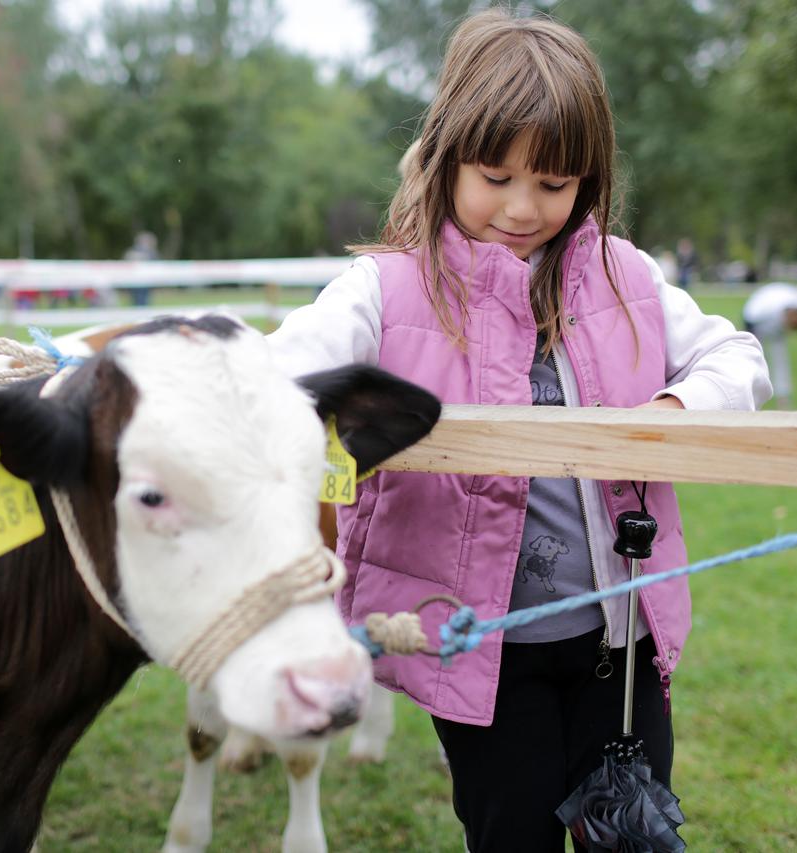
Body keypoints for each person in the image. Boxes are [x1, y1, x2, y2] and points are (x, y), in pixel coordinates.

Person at [267, 10, 771, 851]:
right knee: (511, 834)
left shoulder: (626, 276)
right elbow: (284, 371)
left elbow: (738, 356)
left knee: (635, 835)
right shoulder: (384, 291)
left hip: (621, 643)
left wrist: (672, 414)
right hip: (483, 656)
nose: (524, 207)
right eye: (496, 176)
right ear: (445, 156)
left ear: (589, 178)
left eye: (555, 182)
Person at [743, 282, 797, 410]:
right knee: (754, 361)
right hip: (755, 322)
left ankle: (783, 401)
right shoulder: (761, 311)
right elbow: (750, 319)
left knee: (780, 361)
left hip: (772, 320)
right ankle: (749, 397)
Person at [122, 231, 159, 307]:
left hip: (145, 280)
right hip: (135, 279)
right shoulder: (134, 251)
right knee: (137, 299)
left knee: (143, 299)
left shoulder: (151, 252)